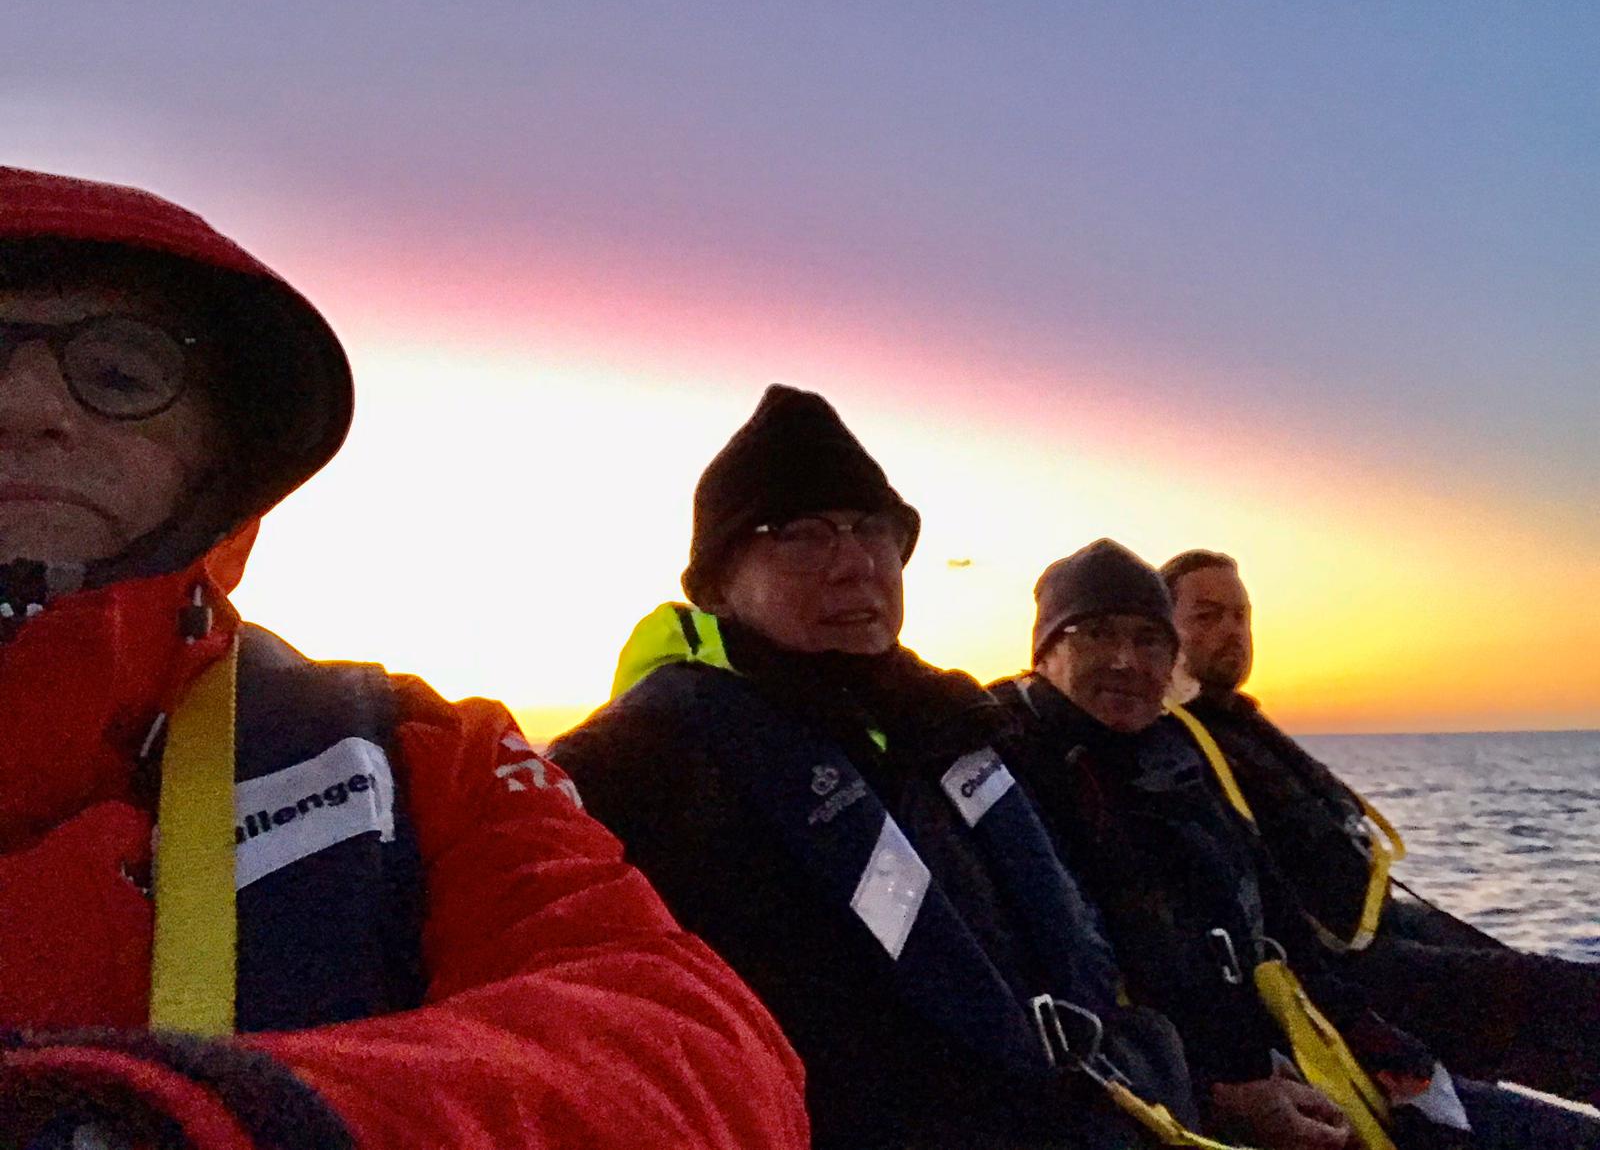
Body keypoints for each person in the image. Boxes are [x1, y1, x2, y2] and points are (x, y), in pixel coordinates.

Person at [0, 167, 807, 1150]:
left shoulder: (424, 758)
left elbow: (689, 1042)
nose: (29, 405)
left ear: (219, 460)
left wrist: (228, 1122)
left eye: (122, 374)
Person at [549, 386, 1209, 1150]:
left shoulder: (960, 734)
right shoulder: (630, 770)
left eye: (875, 531)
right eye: (803, 535)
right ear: (719, 582)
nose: (856, 565)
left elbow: (1092, 951)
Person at [991, 539, 1600, 1150]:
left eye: (1148, 640)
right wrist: (1218, 1100)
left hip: (1298, 1061)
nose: (1126, 659)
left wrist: (1396, 1057)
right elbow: (1028, 1014)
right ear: (1044, 653)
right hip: (1185, 1111)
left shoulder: (1178, 771)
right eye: (1095, 634)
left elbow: (1290, 941)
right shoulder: (1005, 784)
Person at [1161, 548, 1600, 1106]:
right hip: (1339, 972)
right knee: (1560, 999)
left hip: (1381, 931)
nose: (1233, 630)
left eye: (1240, 615)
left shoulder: (1237, 726)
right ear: (1166, 631)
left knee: (1557, 991)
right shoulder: (1175, 749)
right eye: (1207, 616)